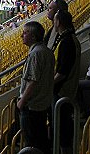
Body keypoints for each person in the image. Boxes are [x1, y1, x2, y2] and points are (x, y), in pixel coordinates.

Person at [17, 21, 54, 154]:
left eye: (25, 32)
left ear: (33, 37)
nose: (22, 35)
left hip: (32, 106)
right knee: (40, 140)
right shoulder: (46, 51)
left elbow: (33, 81)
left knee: (32, 143)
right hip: (42, 104)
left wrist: (22, 101)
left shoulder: (36, 54)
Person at [52, 10, 81, 154]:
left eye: (54, 20)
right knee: (63, 127)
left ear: (58, 22)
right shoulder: (70, 39)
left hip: (62, 92)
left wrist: (49, 85)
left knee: (62, 129)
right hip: (67, 90)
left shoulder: (67, 42)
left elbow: (62, 72)